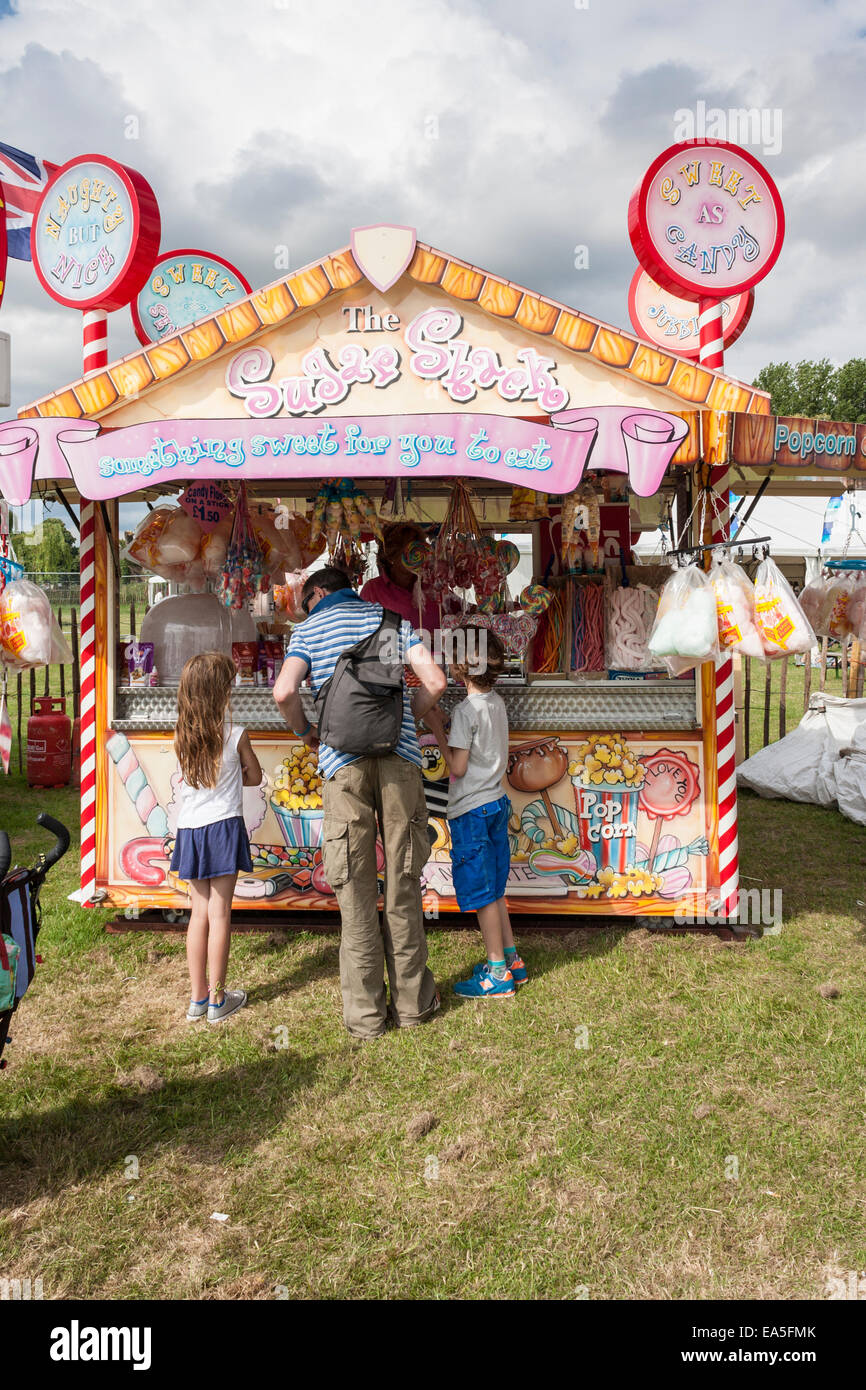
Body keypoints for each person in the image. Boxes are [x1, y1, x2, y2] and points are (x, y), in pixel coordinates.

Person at [273, 566, 447, 1039]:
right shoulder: (390, 622)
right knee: (403, 884)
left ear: (318, 593)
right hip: (400, 761)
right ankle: (412, 1005)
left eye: (304, 600)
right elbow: (435, 680)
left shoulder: (308, 630)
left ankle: (367, 1018)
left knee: (354, 892)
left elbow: (284, 691)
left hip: (342, 767)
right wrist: (410, 717)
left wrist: (306, 732)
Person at [424, 626, 527, 998]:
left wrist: (437, 726)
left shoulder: (465, 711)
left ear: (460, 666)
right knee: (497, 888)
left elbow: (458, 767)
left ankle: (497, 971)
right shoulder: (496, 702)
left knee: (483, 893)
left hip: (472, 810)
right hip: (497, 803)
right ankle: (512, 959)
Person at [171, 652, 262, 1023]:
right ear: (221, 693)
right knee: (221, 914)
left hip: (190, 829)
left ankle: (197, 999)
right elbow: (254, 777)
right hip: (223, 827)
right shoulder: (236, 734)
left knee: (199, 913)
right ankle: (219, 1000)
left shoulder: (181, 735)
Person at [360, 521, 439, 635]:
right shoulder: (373, 590)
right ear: (391, 556)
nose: (416, 553)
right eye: (409, 550)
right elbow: (364, 632)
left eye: (418, 546)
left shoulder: (432, 584)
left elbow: (460, 610)